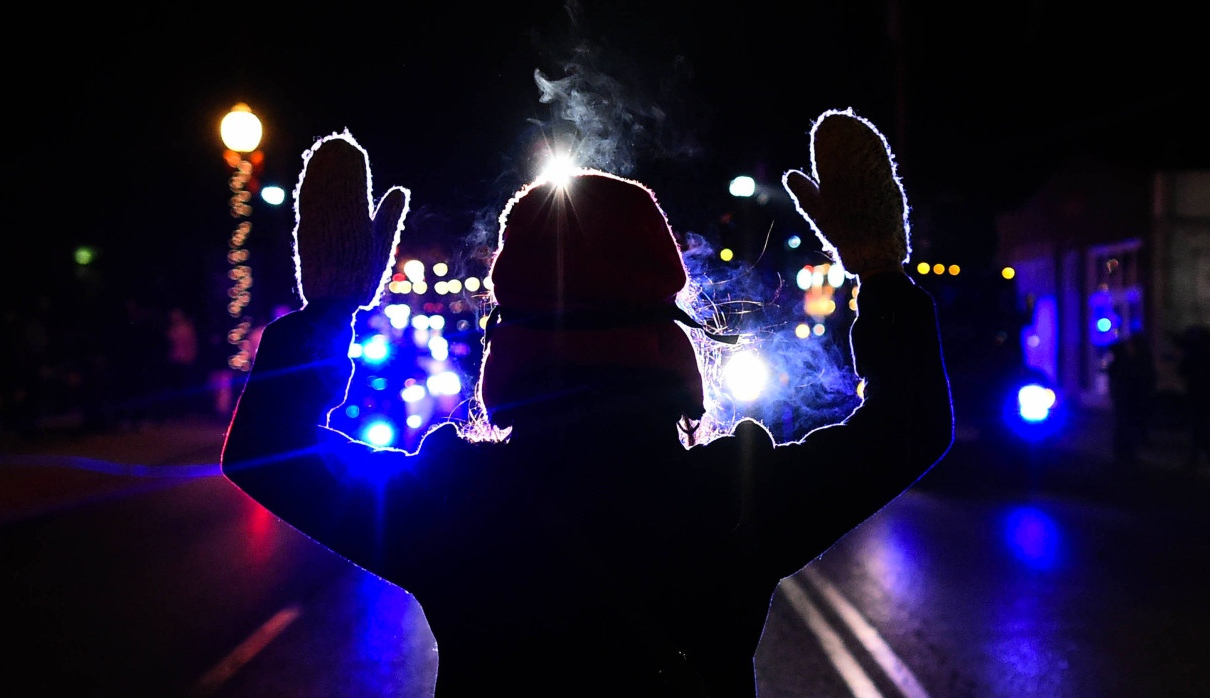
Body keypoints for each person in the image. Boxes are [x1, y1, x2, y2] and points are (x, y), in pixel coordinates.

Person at [220, 110, 953, 696]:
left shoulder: (454, 502)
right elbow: (911, 425)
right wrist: (881, 272)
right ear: (668, 336)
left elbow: (264, 453)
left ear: (510, 342)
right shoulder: (732, 497)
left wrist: (331, 308)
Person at [1106, 333, 1156, 466]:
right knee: (1125, 426)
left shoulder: (1139, 361)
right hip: (1127, 399)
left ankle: (1126, 453)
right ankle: (1124, 454)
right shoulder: (1127, 359)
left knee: (1129, 426)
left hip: (1132, 399)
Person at [1177, 325, 1210, 472]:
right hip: (1200, 394)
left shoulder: (1193, 353)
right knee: (1201, 425)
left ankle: (1196, 456)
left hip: (1197, 394)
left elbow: (1183, 370)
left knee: (1199, 426)